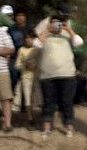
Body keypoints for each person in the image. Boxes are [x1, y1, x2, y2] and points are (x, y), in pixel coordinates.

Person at [34, 8, 83, 138]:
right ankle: (46, 128)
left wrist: (68, 29)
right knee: (48, 103)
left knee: (67, 102)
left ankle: (69, 128)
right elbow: (36, 44)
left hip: (67, 74)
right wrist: (47, 30)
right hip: (47, 75)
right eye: (54, 23)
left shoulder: (66, 35)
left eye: (59, 23)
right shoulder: (45, 36)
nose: (56, 25)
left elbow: (79, 43)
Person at [13, 30, 38, 124]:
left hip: (37, 77)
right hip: (26, 77)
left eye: (31, 38)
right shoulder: (21, 50)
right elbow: (17, 65)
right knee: (27, 97)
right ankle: (30, 117)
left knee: (36, 98)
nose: (28, 40)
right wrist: (25, 65)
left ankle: (36, 114)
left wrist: (35, 65)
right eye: (26, 38)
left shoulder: (38, 49)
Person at [6, 8, 31, 94]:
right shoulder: (11, 29)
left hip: (28, 56)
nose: (20, 17)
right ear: (15, 17)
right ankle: (13, 95)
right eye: (18, 15)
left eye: (22, 15)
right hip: (14, 57)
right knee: (13, 74)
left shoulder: (30, 29)